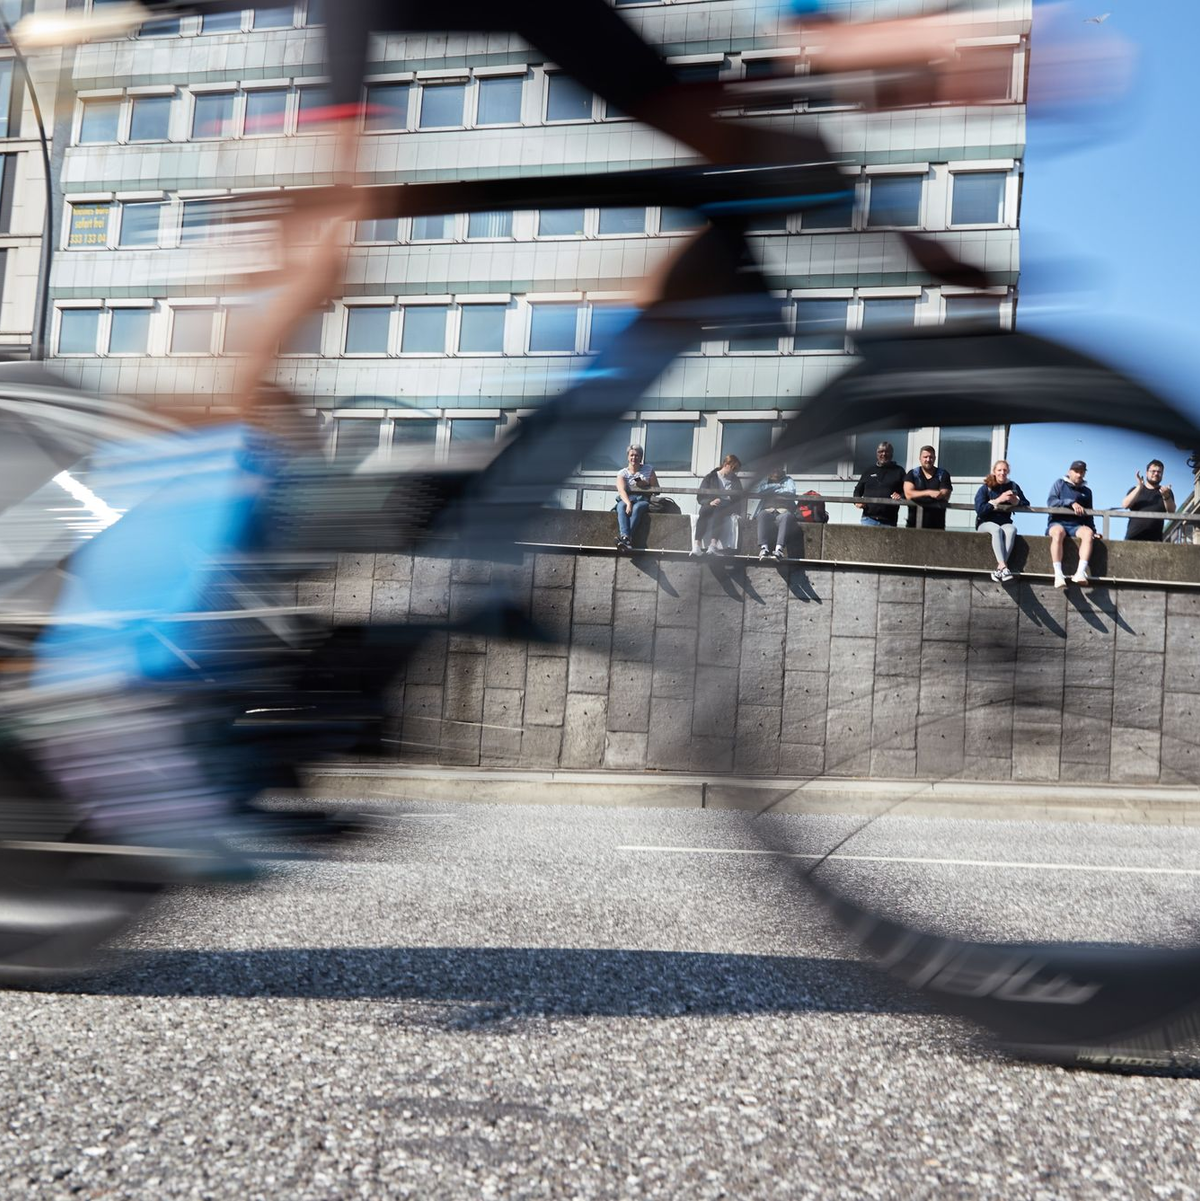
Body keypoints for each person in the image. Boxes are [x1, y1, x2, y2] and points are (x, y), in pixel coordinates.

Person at [974, 459, 1031, 583]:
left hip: (1005, 521)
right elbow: (979, 510)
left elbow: (1026, 503)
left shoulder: (1013, 486)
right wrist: (998, 500)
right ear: (994, 472)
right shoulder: (986, 488)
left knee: (1011, 530)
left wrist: (1017, 502)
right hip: (985, 522)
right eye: (999, 470)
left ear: (1008, 472)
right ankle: (1003, 566)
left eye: (1005, 470)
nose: (1002, 473)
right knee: (996, 530)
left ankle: (1000, 569)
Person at [1047, 459, 1096, 588]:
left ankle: (1080, 572)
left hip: (1076, 525)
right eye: (1076, 471)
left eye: (1082, 472)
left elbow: (1089, 514)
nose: (1079, 475)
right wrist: (1070, 503)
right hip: (1058, 522)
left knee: (1088, 533)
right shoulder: (1059, 484)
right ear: (1070, 472)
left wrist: (1094, 531)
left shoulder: (1087, 491)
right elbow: (1051, 502)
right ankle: (1058, 574)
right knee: (1058, 533)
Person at [692, 454, 743, 556]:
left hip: (727, 506)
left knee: (719, 512)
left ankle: (713, 545)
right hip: (711, 503)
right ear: (726, 464)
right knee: (703, 512)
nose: (734, 472)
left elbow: (739, 498)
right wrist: (709, 502)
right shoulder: (711, 477)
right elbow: (700, 496)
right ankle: (696, 545)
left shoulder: (735, 481)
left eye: (736, 470)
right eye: (733, 468)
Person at [614, 445, 658, 553]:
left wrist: (644, 484)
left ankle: (626, 539)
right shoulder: (622, 473)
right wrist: (628, 503)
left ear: (641, 457)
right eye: (632, 455)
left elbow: (657, 490)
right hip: (627, 498)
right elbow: (621, 490)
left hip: (643, 499)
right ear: (628, 457)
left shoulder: (649, 469)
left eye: (637, 455)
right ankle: (626, 538)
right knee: (621, 506)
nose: (634, 458)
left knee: (637, 507)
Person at [1122, 458, 1176, 543]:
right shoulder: (1135, 489)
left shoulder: (1166, 492)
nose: (1156, 474)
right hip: (1133, 538)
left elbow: (1172, 512)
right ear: (1147, 472)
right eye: (1153, 471)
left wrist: (1166, 496)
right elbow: (1125, 505)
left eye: (1159, 472)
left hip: (1155, 540)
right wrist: (1139, 486)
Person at [853, 441, 906, 527]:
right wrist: (856, 501)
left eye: (887, 451)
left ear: (892, 454)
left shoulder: (899, 471)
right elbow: (858, 490)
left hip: (889, 521)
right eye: (881, 451)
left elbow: (906, 492)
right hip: (868, 519)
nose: (884, 454)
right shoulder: (869, 471)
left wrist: (900, 496)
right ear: (877, 454)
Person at [903, 444, 953, 530]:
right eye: (925, 457)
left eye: (931, 457)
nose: (928, 460)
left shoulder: (943, 474)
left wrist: (919, 495)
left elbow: (944, 495)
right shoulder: (912, 474)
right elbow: (908, 494)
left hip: (937, 526)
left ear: (935, 458)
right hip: (913, 525)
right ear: (920, 458)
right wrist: (929, 493)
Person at [754, 466, 799, 561]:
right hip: (768, 510)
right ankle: (764, 549)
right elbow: (760, 490)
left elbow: (791, 491)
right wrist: (778, 486)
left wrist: (770, 490)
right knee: (761, 515)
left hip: (784, 510)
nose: (776, 471)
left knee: (786, 517)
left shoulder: (788, 480)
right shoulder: (765, 479)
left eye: (778, 469)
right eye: (774, 469)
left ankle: (779, 550)